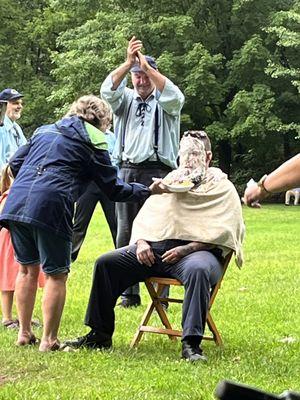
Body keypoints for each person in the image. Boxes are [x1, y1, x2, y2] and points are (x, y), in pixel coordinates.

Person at [0, 95, 167, 352]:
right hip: (51, 205)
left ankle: (24, 333)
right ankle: (48, 340)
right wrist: (146, 190)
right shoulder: (94, 139)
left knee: (26, 269)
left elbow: (16, 163)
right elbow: (113, 188)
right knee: (56, 274)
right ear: (101, 121)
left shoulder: (45, 129)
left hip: (16, 202)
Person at [64, 131, 245, 362]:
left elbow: (225, 230)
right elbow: (147, 218)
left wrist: (187, 248)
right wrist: (140, 242)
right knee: (106, 263)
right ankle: (99, 334)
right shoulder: (170, 182)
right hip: (155, 251)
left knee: (198, 270)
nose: (188, 161)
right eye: (184, 155)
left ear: (208, 157)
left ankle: (191, 344)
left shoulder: (222, 187)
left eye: (194, 154)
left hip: (198, 253)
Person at [101, 36, 185, 307]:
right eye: (136, 75)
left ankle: (160, 295)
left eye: (145, 74)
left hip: (160, 171)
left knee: (161, 230)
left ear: (154, 74)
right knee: (125, 231)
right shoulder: (124, 99)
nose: (140, 79)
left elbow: (175, 96)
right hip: (127, 169)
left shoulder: (166, 100)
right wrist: (128, 63)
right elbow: (107, 91)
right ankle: (128, 293)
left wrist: (148, 66)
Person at [0, 164, 45, 329]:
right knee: (8, 283)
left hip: (22, 242)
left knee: (23, 280)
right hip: (9, 245)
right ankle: (6, 317)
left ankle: (23, 316)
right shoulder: (8, 196)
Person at [71, 128, 117, 261]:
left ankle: (121, 254)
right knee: (80, 223)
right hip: (89, 184)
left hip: (108, 183)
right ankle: (70, 256)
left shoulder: (111, 136)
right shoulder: (86, 133)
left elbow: (115, 157)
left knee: (115, 222)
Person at [0, 88, 26, 171]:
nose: (20, 106)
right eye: (15, 103)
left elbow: (25, 152)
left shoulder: (16, 128)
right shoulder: (1, 128)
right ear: (2, 106)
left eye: (21, 103)